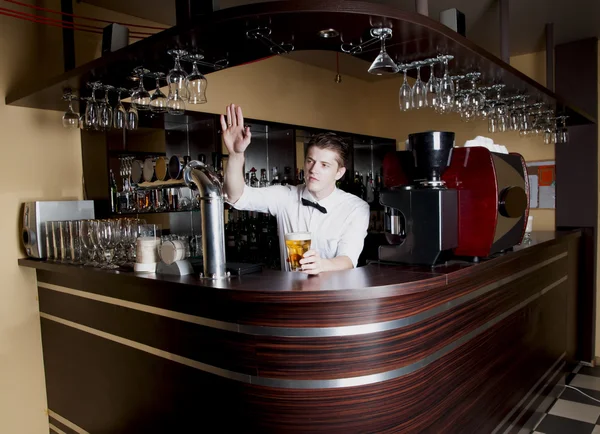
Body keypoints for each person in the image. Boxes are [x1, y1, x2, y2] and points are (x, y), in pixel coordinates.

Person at [221, 103, 369, 275]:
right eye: (310, 161)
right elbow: (236, 196)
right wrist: (235, 155)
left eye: (324, 165)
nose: (313, 169)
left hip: (333, 297)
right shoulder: (285, 196)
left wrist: (322, 265)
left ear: (339, 173)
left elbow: (348, 259)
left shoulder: (356, 208)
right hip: (291, 294)